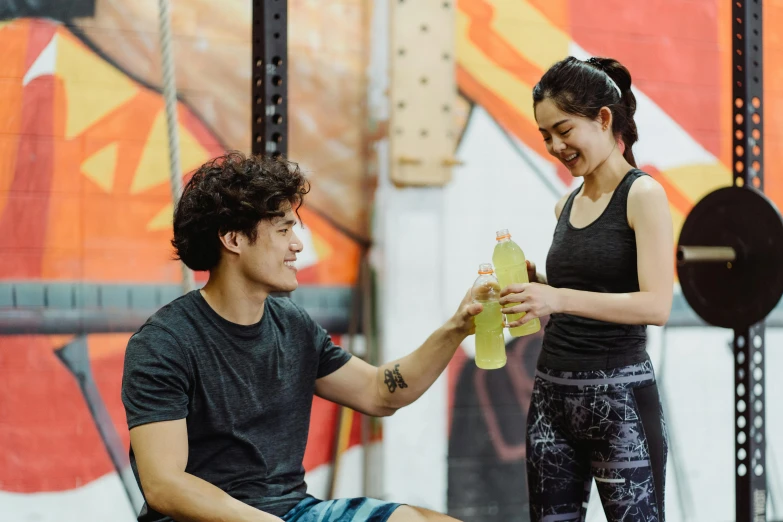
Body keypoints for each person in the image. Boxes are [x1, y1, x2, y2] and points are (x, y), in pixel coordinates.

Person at [121, 152, 480, 522]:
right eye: (283, 230)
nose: (297, 245)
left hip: (293, 512)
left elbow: (380, 392)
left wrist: (456, 328)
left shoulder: (292, 325)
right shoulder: (163, 344)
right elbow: (164, 484)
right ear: (233, 240)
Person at [498, 56, 673, 522]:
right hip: (551, 398)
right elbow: (585, 290)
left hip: (619, 405)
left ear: (603, 118)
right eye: (545, 136)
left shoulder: (643, 196)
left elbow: (656, 305)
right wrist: (538, 284)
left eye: (563, 130)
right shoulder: (565, 205)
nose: (555, 145)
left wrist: (557, 297)